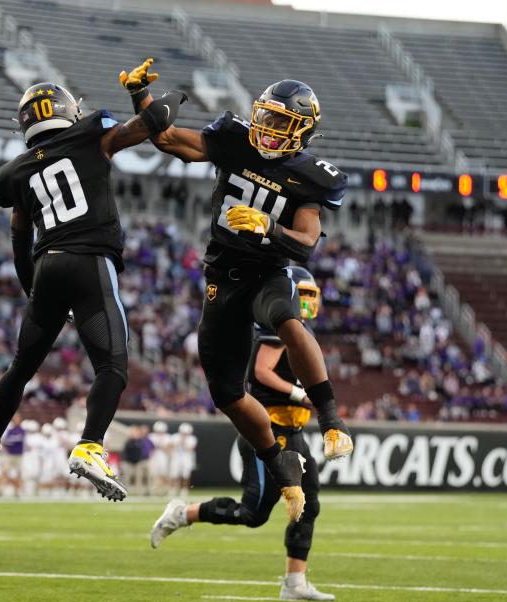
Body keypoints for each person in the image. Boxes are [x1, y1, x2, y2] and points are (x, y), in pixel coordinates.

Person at [120, 59, 352, 521]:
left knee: (288, 320)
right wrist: (140, 99)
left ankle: (331, 422)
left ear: (301, 131)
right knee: (226, 393)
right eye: (265, 116)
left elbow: (305, 245)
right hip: (221, 279)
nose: (266, 128)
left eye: (280, 122)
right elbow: (168, 140)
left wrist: (269, 226)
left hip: (267, 273)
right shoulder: (234, 139)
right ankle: (280, 463)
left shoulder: (311, 176)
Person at [0, 78, 188, 502]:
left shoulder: (16, 171)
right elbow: (154, 121)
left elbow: (19, 240)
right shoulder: (91, 133)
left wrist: (33, 291)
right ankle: (90, 445)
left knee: (21, 366)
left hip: (47, 266)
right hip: (90, 262)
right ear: (66, 110)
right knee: (112, 367)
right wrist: (178, 94)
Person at [150, 267, 333, 601]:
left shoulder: (298, 331)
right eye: (301, 294)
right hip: (268, 432)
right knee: (253, 514)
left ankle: (295, 582)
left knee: (309, 504)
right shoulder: (278, 329)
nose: (306, 302)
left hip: (294, 431)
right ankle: (183, 513)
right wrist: (298, 394)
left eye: (310, 295)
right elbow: (262, 372)